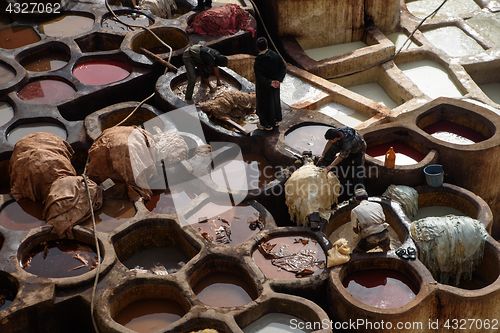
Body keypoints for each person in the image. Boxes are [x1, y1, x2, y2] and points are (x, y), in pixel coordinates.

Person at [253, 37, 287, 131]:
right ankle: (275, 121)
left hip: (264, 88)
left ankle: (266, 125)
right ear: (267, 45)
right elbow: (283, 67)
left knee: (264, 106)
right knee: (274, 103)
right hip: (275, 86)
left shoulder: (258, 62)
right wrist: (278, 80)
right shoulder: (275, 55)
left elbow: (259, 77)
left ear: (258, 48)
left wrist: (269, 83)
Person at [351, 188, 390, 253]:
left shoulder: (355, 210)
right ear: (367, 198)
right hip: (384, 233)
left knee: (356, 253)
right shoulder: (378, 205)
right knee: (388, 251)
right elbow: (383, 220)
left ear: (357, 200)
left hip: (371, 238)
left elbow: (355, 231)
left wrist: (360, 230)